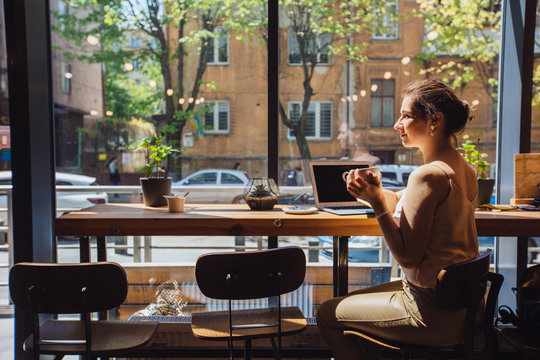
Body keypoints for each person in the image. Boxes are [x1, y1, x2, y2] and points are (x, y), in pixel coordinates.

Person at [316, 79, 479, 360]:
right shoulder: (463, 169)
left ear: (434, 120)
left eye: (406, 115)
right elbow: (403, 200)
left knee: (328, 314)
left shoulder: (428, 175)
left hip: (430, 311)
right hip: (464, 306)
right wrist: (373, 193)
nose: (397, 124)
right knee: (350, 306)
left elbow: (408, 258)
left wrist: (378, 203)